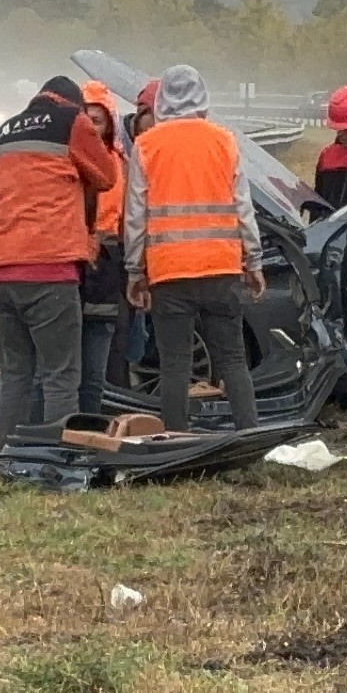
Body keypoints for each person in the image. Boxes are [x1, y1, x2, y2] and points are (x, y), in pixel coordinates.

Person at [125, 63, 264, 432]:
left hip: (169, 271)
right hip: (221, 267)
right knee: (233, 359)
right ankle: (249, 433)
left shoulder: (146, 145)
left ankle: (175, 437)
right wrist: (254, 260)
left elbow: (135, 216)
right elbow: (242, 207)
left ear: (161, 101)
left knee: (175, 364)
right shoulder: (224, 140)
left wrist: (134, 272)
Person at [0, 74, 118, 435]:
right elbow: (106, 176)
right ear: (72, 103)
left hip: (0, 271)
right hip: (50, 271)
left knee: (15, 375)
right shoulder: (72, 121)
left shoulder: (3, 131)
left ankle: (9, 454)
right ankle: (57, 461)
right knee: (60, 374)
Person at [76, 81, 131, 413]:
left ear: (110, 123)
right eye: (85, 120)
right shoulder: (70, 159)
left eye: (97, 121)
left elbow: (129, 216)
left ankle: (105, 414)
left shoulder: (120, 162)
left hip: (110, 261)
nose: (91, 128)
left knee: (109, 348)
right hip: (74, 258)